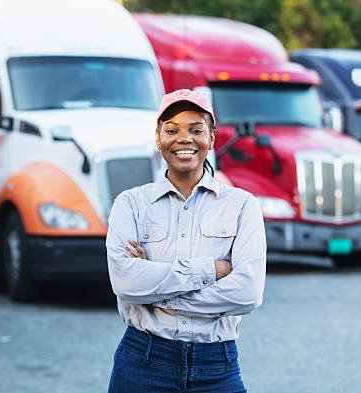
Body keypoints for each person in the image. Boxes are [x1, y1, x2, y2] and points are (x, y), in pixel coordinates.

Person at [106, 89, 266, 392]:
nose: (184, 139)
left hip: (217, 366)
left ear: (212, 137)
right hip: (143, 361)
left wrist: (156, 291)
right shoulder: (131, 204)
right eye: (172, 130)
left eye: (196, 130)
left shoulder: (242, 205)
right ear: (157, 137)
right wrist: (212, 270)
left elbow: (247, 293)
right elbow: (126, 284)